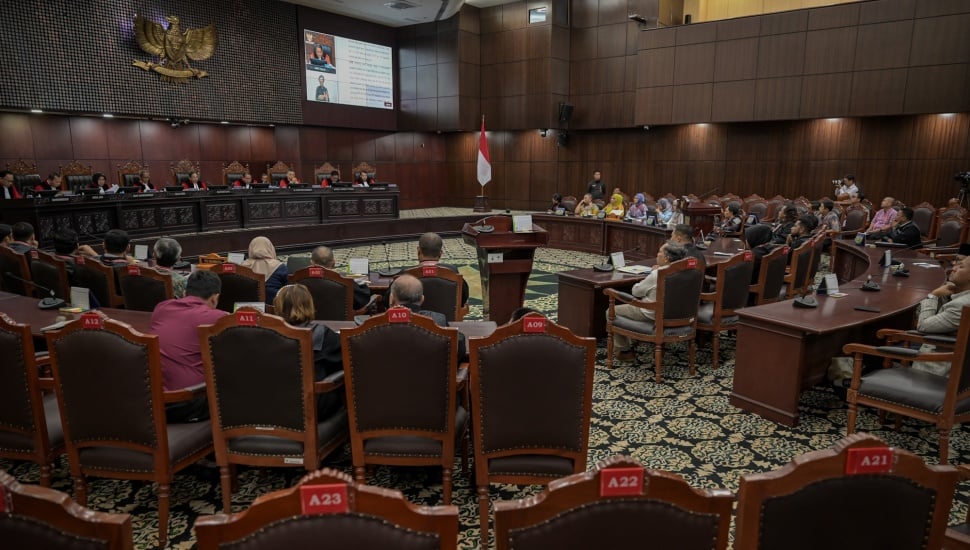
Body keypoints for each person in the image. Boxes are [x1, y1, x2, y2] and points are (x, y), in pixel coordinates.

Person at [150, 270, 227, 423]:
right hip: (188, 402)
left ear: (185, 293)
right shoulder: (218, 318)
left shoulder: (161, 308)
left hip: (153, 401)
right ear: (215, 298)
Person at [609, 241, 688, 361]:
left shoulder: (658, 274)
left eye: (660, 252)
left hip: (651, 314)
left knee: (611, 311)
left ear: (666, 258)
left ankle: (624, 350)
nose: (657, 254)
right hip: (678, 314)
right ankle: (631, 341)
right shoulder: (687, 271)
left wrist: (652, 273)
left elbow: (636, 292)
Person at [273, 284, 344, 417]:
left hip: (273, 404)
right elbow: (344, 363)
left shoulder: (264, 334)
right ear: (308, 305)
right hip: (312, 407)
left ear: (278, 307)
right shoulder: (323, 334)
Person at [911, 255, 970, 376]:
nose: (954, 267)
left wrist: (933, 295)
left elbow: (923, 325)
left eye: (961, 266)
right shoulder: (961, 297)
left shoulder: (962, 305)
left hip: (936, 369)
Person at [388, 274, 467, 361]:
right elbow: (458, 348)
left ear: (392, 298)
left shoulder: (373, 326)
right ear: (422, 299)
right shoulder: (438, 321)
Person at [415, 232, 469, 307]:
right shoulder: (452, 272)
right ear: (440, 254)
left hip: (416, 318)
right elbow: (463, 299)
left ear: (418, 251)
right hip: (448, 318)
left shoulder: (405, 275)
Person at [311, 245, 371, 310]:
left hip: (310, 319)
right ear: (334, 263)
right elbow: (363, 301)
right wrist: (364, 285)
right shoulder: (345, 282)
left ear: (312, 263)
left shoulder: (301, 281)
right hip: (341, 320)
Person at [242, 236, 288, 303]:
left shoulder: (242, 267)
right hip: (275, 308)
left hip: (248, 307)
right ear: (270, 248)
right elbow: (286, 289)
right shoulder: (280, 266)